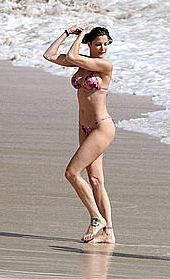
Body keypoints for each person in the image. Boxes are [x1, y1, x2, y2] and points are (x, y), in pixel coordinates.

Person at [43, 24, 116, 244]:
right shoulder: (81, 62)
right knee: (95, 180)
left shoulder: (104, 65)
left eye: (105, 43)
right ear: (90, 45)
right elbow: (49, 55)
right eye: (98, 44)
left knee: (72, 173)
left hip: (102, 127)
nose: (103, 47)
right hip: (84, 127)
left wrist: (82, 34)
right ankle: (109, 233)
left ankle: (96, 218)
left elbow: (73, 55)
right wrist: (67, 33)